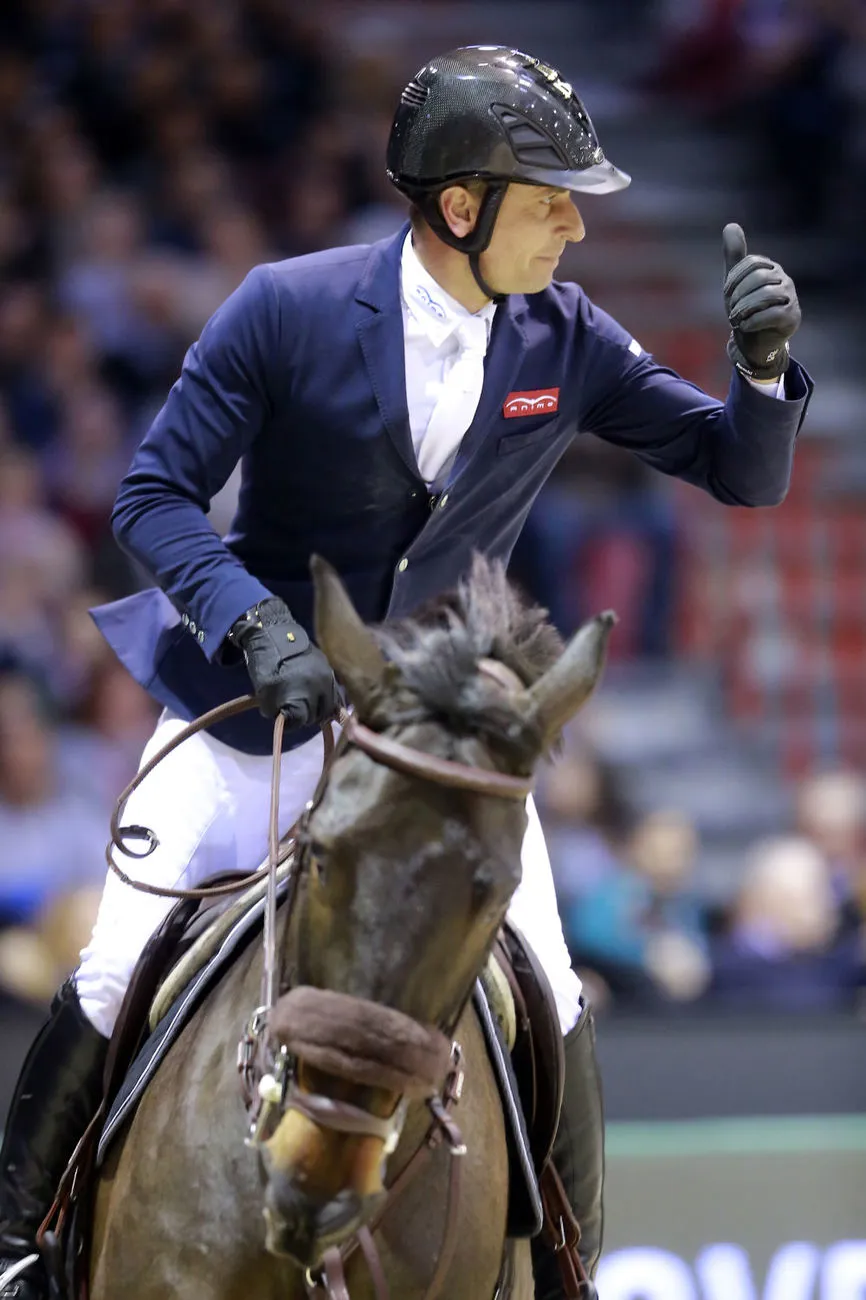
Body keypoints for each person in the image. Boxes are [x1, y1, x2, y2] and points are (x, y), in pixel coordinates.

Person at [0, 45, 811, 1300]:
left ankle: (566, 1275)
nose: (573, 223)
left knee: (550, 985)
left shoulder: (566, 335)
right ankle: (17, 1256)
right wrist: (252, 624)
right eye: (548, 198)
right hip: (250, 710)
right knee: (114, 967)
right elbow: (152, 496)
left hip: (433, 747)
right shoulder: (288, 305)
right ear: (458, 207)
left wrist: (759, 376)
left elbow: (739, 472)